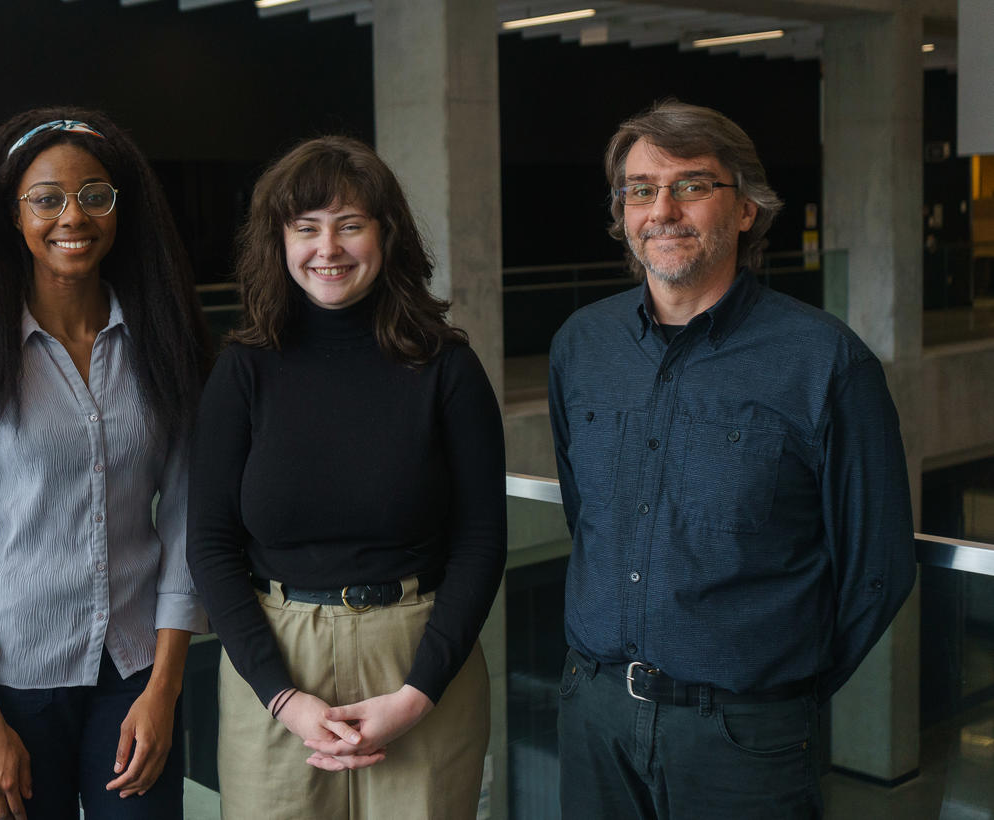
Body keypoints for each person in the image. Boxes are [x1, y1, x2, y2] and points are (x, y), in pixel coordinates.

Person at [548, 99, 917, 818]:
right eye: (640, 188)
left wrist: (776, 690)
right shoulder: (580, 347)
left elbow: (877, 569)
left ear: (745, 209)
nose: (662, 208)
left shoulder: (825, 362)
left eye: (691, 185)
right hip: (594, 718)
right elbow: (583, 514)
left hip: (746, 738)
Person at [187, 136, 507, 819]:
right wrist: (283, 696)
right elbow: (209, 543)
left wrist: (418, 692)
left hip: (419, 661)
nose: (327, 248)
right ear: (279, 241)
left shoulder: (447, 368)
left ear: (386, 235)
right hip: (273, 662)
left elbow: (481, 541)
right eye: (306, 228)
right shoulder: (242, 370)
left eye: (349, 225)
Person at [0, 110, 211, 820]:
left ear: (120, 209)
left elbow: (187, 524)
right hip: (18, 678)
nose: (71, 217)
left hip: (139, 667)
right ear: (13, 217)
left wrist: (164, 689)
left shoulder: (162, 345)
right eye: (46, 198)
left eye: (95, 196)